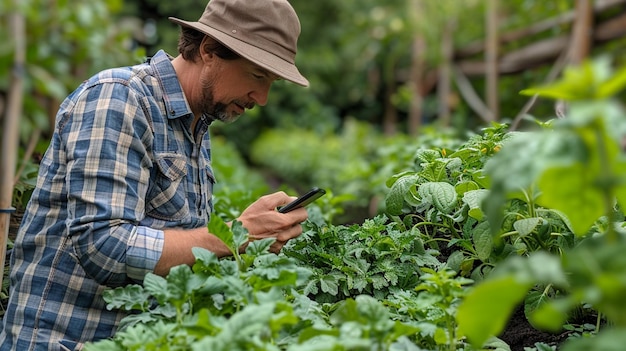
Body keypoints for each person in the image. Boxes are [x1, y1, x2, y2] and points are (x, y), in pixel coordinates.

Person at [0, 0, 310, 349]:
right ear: (209, 50)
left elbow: (175, 250)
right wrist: (233, 236)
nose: (263, 97)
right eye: (257, 75)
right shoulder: (118, 98)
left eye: (271, 82)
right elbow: (104, 245)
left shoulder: (194, 125)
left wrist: (253, 243)